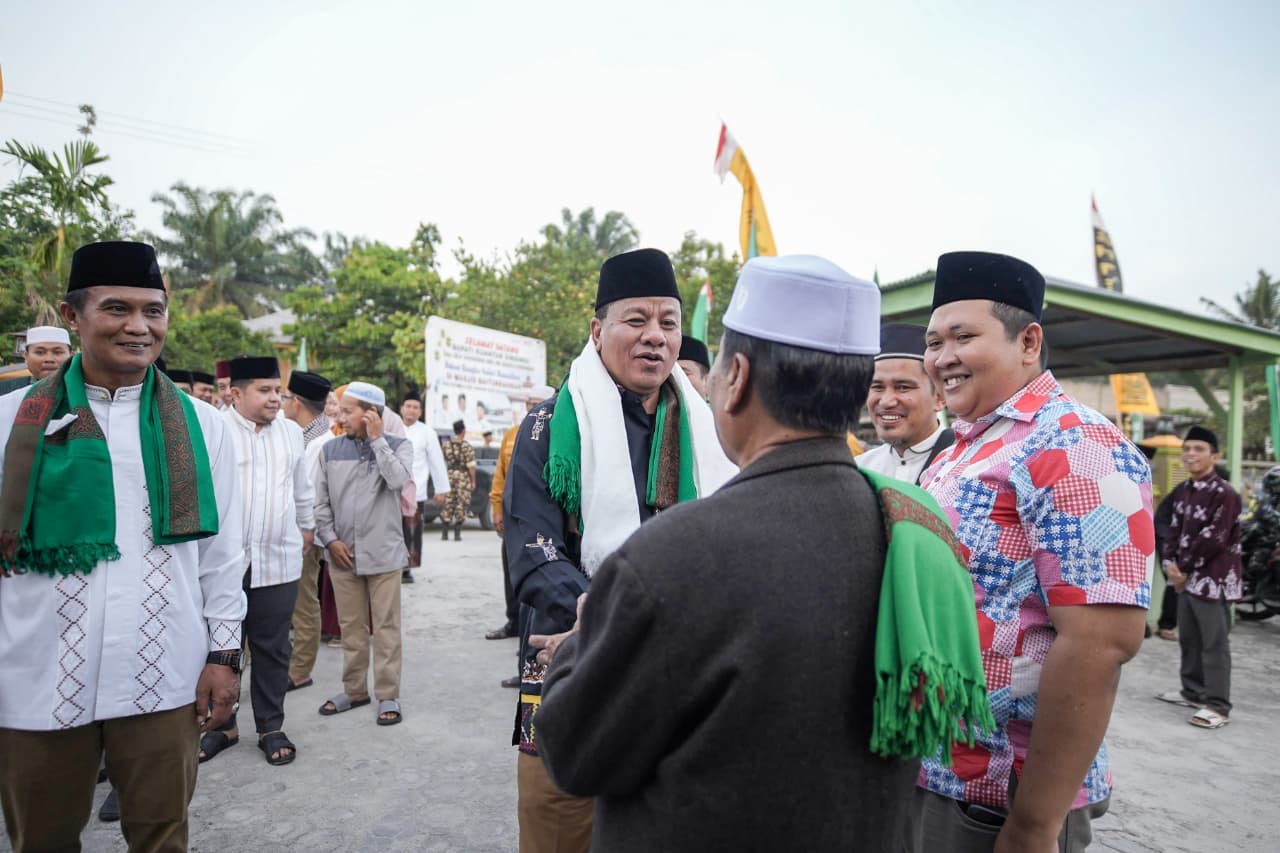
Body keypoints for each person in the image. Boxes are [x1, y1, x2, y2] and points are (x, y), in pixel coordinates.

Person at [534, 254, 989, 852]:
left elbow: (575, 754)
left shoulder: (670, 558)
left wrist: (584, 636)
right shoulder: (916, 531)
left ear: (738, 378)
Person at [0, 241, 245, 853]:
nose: (139, 326)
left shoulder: (203, 425)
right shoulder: (9, 422)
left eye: (153, 311)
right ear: (73, 315)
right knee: (41, 840)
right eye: (117, 308)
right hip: (36, 671)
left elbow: (222, 556)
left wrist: (224, 655)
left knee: (162, 835)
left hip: (162, 669)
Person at [907, 250, 1154, 853]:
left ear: (1028, 341)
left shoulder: (1074, 443)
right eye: (933, 343)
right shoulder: (963, 447)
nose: (942, 358)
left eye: (963, 337)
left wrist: (1034, 824)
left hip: (1002, 795)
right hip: (937, 769)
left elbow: (1101, 641)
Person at [503, 247, 735, 853]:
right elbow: (532, 548)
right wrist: (605, 613)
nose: (655, 336)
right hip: (568, 648)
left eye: (667, 322)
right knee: (557, 816)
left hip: (677, 657)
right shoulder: (548, 425)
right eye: (636, 320)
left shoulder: (708, 428)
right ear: (597, 330)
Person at [200, 356, 314, 766]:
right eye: (264, 391)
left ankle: (270, 725)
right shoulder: (214, 429)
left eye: (277, 391)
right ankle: (223, 726)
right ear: (235, 393)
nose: (275, 399)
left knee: (273, 647)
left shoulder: (291, 433)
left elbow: (301, 488)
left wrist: (307, 527)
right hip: (223, 562)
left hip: (277, 560)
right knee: (222, 647)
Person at [314, 381, 414, 726]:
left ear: (371, 414)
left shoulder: (398, 446)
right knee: (351, 628)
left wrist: (377, 440)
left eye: (347, 411)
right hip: (342, 555)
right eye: (339, 410)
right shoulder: (330, 450)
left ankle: (388, 695)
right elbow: (320, 502)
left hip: (384, 556)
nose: (339, 417)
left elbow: (398, 481)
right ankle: (355, 691)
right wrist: (330, 540)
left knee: (386, 628)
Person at [1156, 426, 1241, 729]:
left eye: (1199, 449)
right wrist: (1170, 564)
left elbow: (1215, 538)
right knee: (1190, 639)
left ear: (1214, 457)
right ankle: (1192, 692)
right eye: (1187, 448)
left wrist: (1183, 569)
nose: (1191, 454)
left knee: (1213, 643)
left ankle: (1218, 705)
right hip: (1185, 578)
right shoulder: (1184, 491)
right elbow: (1172, 529)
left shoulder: (1225, 494)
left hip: (1212, 580)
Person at [485, 384, 555, 670]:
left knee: (535, 584)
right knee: (511, 574)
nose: (531, 409)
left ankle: (529, 649)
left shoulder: (557, 431)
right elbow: (501, 476)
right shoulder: (512, 434)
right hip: (512, 516)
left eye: (536, 403)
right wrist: (497, 508)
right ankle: (513, 623)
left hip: (540, 523)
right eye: (528, 403)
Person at [282, 369, 334, 692]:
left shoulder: (318, 444)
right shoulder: (303, 436)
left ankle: (301, 669)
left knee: (303, 603)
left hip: (305, 535)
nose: (282, 403)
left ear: (297, 402)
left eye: (286, 397)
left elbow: (308, 495)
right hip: (292, 532)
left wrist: (306, 532)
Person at [855, 323, 953, 485]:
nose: (886, 401)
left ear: (939, 397)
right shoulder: (860, 470)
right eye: (877, 387)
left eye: (903, 387)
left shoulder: (966, 466)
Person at [400, 390, 450, 577]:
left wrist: (441, 489)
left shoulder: (427, 432)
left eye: (415, 407)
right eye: (408, 406)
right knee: (393, 531)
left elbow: (436, 461)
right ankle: (392, 567)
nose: (411, 410)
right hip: (392, 491)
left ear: (420, 412)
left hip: (416, 492)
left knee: (412, 531)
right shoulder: (393, 429)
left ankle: (407, 569)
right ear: (401, 409)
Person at [1153, 478, 1190, 640]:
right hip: (1166, 535)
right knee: (1174, 578)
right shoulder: (1188, 488)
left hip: (1175, 536)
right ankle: (1165, 626)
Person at [440, 419, 476, 541]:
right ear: (463, 431)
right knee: (462, 502)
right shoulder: (467, 446)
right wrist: (473, 481)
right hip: (462, 476)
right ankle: (457, 533)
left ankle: (444, 533)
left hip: (449, 475)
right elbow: (471, 466)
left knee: (448, 502)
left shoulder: (446, 445)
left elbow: (442, 461)